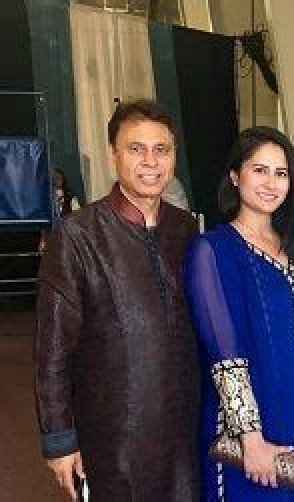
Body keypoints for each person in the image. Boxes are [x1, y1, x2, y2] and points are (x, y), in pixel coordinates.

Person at [35, 99, 200, 500]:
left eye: (161, 150)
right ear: (113, 155)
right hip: (112, 437)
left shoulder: (184, 229)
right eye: (136, 149)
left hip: (183, 429)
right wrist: (59, 440)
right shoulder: (77, 235)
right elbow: (52, 348)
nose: (150, 162)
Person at [185, 126, 294, 501]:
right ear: (235, 176)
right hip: (247, 428)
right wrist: (251, 439)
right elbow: (223, 353)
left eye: (281, 173)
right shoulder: (213, 250)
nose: (271, 183)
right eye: (259, 170)